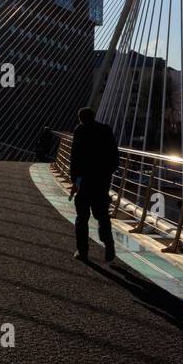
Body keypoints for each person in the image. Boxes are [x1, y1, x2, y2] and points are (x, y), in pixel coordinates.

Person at [69, 107, 119, 264]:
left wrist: (74, 181)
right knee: (102, 215)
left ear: (81, 119)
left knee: (82, 217)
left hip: (84, 181)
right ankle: (108, 243)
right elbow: (114, 155)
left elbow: (75, 157)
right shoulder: (105, 130)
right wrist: (108, 172)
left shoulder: (80, 131)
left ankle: (82, 251)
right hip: (101, 180)